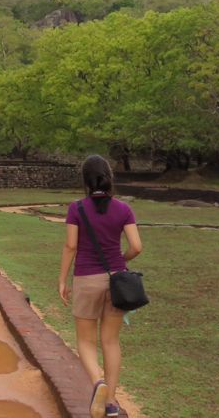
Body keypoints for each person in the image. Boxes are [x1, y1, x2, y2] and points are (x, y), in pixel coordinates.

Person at [58, 155, 142, 418]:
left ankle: (98, 383)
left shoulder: (77, 208)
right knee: (111, 341)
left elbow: (71, 245)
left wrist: (62, 279)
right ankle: (111, 403)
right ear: (109, 177)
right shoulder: (123, 209)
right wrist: (121, 261)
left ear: (84, 180)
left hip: (85, 279)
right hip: (116, 281)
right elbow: (136, 247)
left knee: (85, 340)